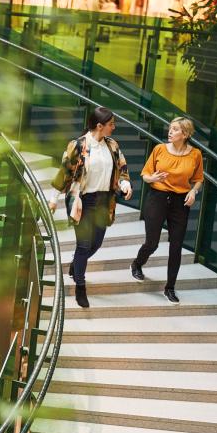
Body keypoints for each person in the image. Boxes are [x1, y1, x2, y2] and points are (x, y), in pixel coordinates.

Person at [49, 107, 132, 308]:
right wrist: (53, 199)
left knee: (96, 243)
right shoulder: (78, 145)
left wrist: (125, 184)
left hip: (105, 202)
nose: (114, 127)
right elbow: (64, 174)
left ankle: (76, 265)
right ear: (99, 126)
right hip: (84, 202)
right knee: (84, 245)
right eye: (111, 124)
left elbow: (122, 169)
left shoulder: (112, 145)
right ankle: (80, 285)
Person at [130, 118, 204, 304]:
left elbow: (199, 179)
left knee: (176, 246)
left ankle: (170, 287)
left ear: (185, 134)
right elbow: (145, 175)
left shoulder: (195, 154)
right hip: (157, 198)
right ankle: (137, 263)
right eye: (170, 128)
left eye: (175, 129)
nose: (170, 132)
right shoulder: (159, 149)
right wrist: (152, 178)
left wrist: (194, 192)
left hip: (181, 202)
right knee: (152, 242)